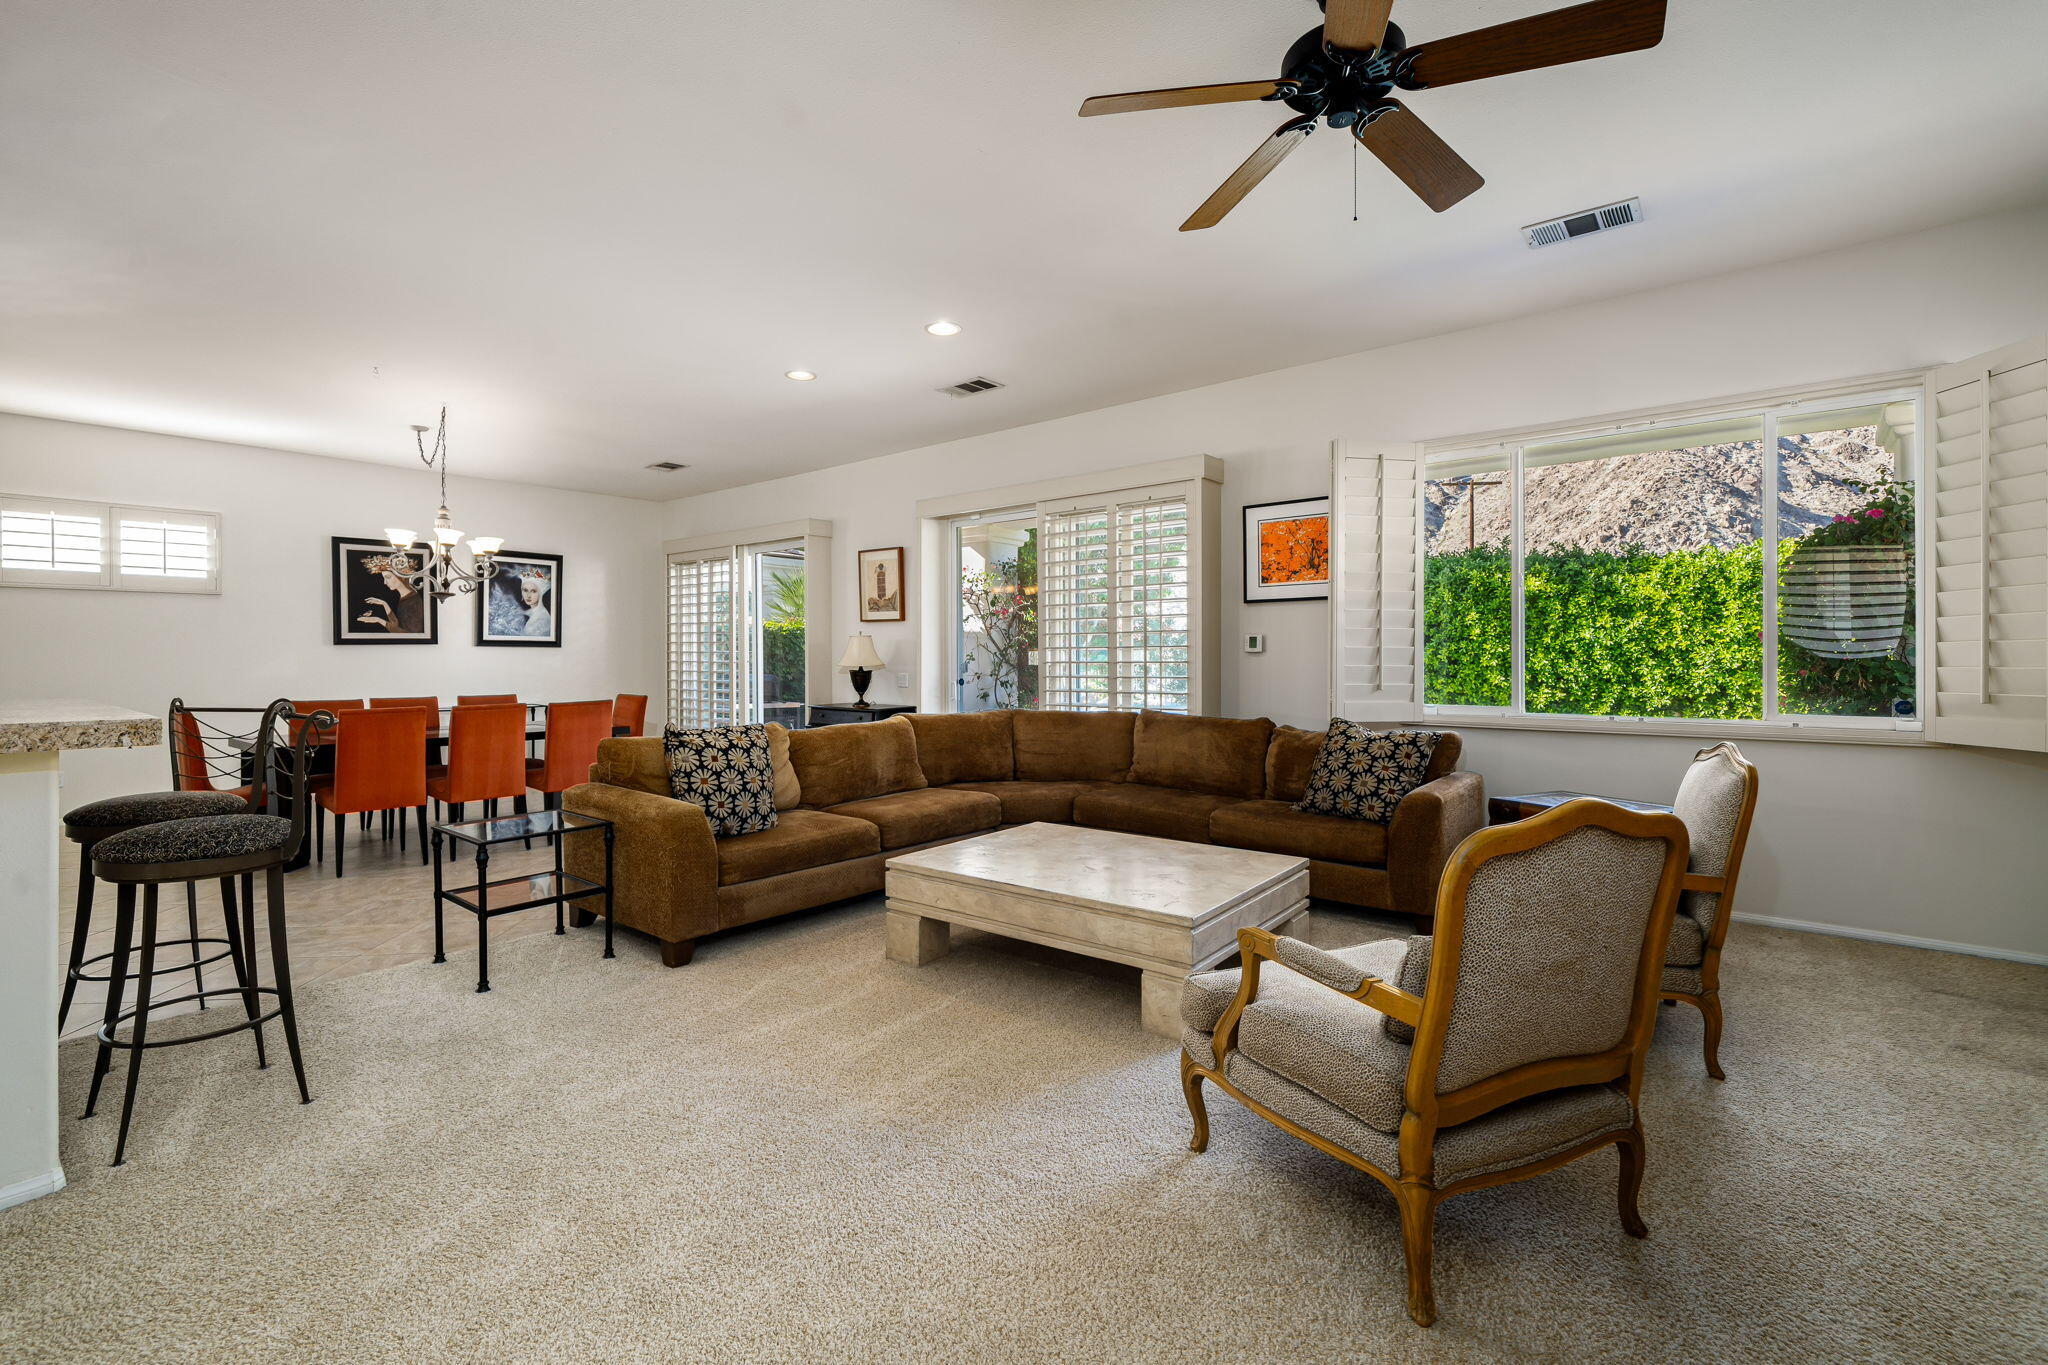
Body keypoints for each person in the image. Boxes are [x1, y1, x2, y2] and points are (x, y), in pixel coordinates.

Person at [357, 554, 426, 634]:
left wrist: (379, 620)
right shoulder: (406, 597)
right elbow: (396, 625)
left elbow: (408, 634)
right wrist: (384, 604)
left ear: (401, 577)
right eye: (384, 578)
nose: (385, 582)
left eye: (388, 577)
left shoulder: (413, 602)